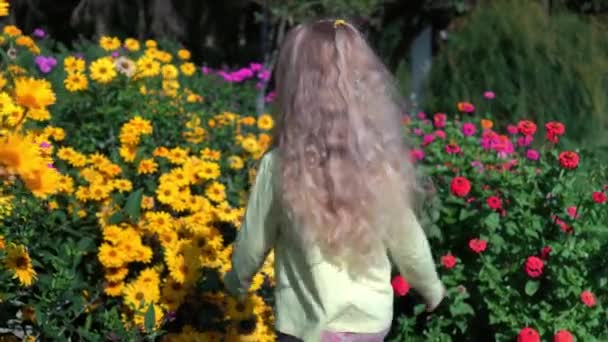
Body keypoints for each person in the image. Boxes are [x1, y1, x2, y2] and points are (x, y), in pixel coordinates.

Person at [223, 18, 446, 342]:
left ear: (295, 88)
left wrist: (235, 282)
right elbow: (408, 241)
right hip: (370, 324)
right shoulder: (377, 165)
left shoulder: (281, 166)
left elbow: (253, 244)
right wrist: (431, 289)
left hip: (307, 326)